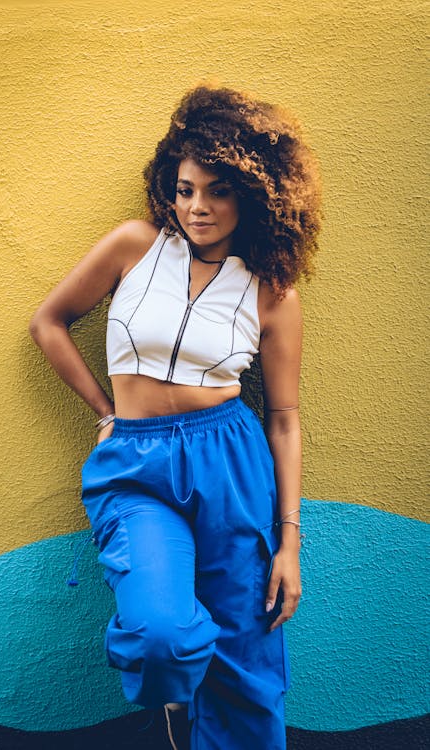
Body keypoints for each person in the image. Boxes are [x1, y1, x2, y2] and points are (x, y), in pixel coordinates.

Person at [29, 84, 321, 750]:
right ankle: (180, 712)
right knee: (159, 632)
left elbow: (284, 417)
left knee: (246, 650)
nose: (198, 207)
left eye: (218, 191)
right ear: (169, 185)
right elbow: (49, 323)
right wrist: (106, 411)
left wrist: (290, 543)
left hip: (228, 461)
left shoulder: (272, 290)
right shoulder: (135, 246)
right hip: (134, 464)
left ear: (254, 192)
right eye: (186, 189)